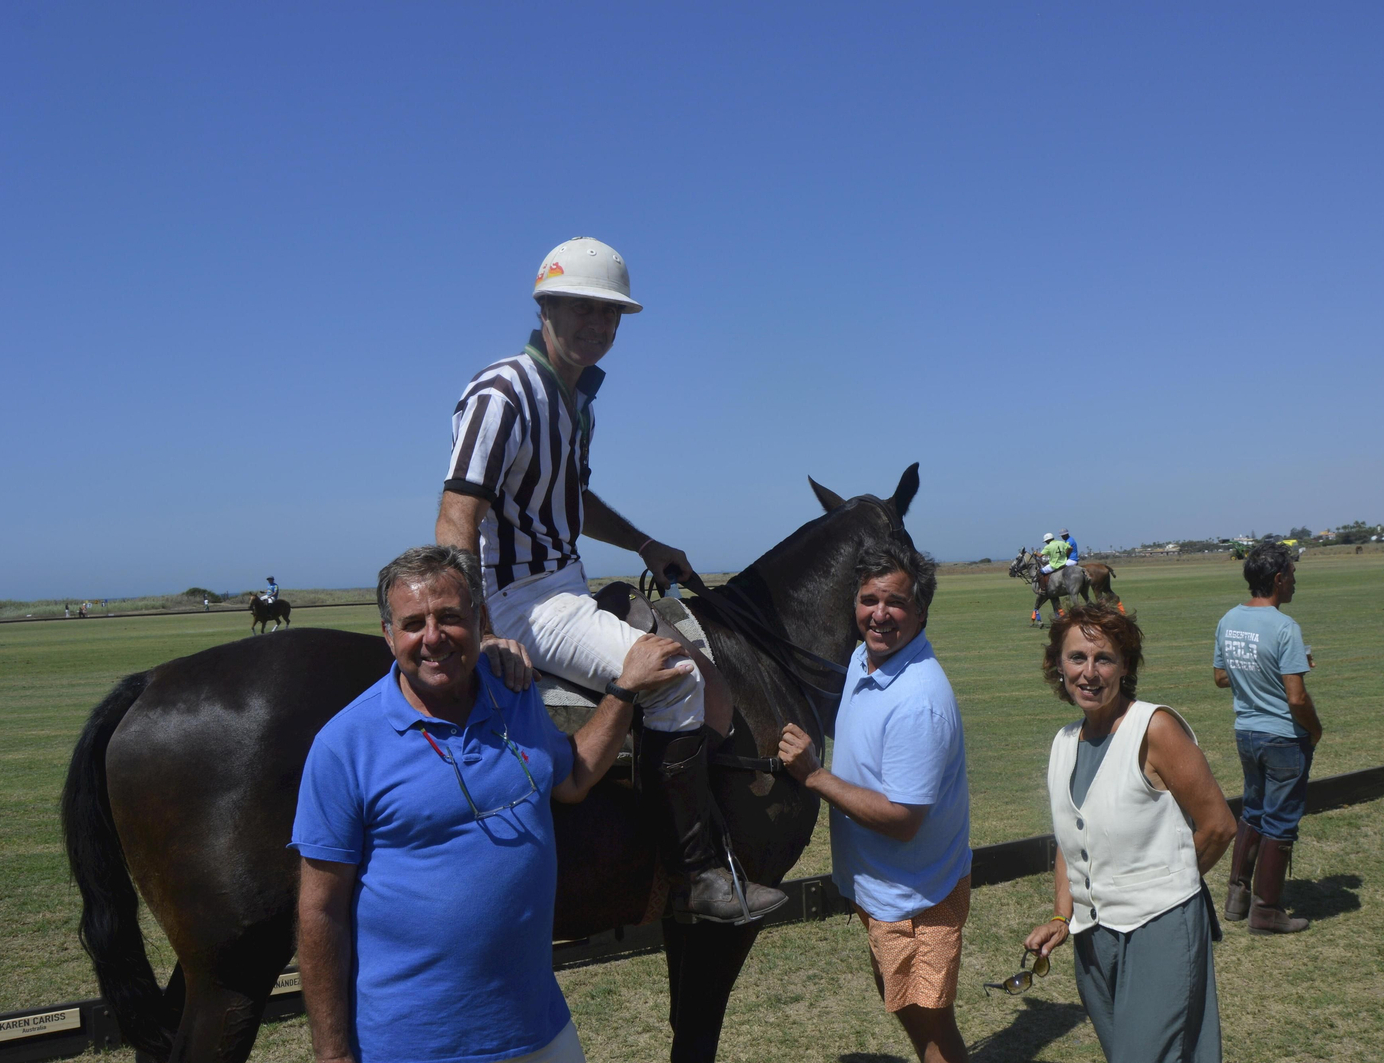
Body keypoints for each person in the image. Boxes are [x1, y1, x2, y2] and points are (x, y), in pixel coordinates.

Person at [435, 237, 784, 924]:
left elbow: (573, 498)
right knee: (673, 675)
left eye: (610, 316)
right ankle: (697, 875)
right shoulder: (502, 390)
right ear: (546, 307)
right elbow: (456, 516)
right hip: (520, 601)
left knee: (702, 664)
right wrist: (473, 630)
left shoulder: (577, 402)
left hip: (566, 581)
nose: (598, 327)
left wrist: (646, 542)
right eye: (583, 310)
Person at [292, 544, 697, 1063]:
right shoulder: (344, 744)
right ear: (388, 635)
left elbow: (570, 778)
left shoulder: (515, 695)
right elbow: (320, 910)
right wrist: (331, 1053)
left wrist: (623, 689)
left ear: (482, 620)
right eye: (413, 623)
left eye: (450, 617)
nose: (432, 637)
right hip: (415, 1046)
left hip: (538, 1028)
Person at [778, 541, 972, 1063]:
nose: (879, 615)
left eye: (896, 603)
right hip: (886, 889)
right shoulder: (865, 661)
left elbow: (902, 819)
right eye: (869, 600)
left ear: (921, 611)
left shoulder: (918, 700)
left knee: (933, 1030)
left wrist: (814, 776)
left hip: (915, 898)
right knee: (914, 1015)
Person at [1025, 603, 1235, 1063]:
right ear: (1057, 666)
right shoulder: (1064, 743)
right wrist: (1062, 916)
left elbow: (1219, 825)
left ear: (1125, 666)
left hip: (1159, 926)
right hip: (1093, 937)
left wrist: (1166, 883)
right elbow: (1071, 839)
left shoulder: (1154, 728)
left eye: (1104, 659)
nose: (1089, 672)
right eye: (1077, 657)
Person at [1212, 542, 1321, 934]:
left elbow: (1222, 676)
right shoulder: (1285, 627)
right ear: (1278, 579)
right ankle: (1267, 910)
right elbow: (1296, 697)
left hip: (1247, 733)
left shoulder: (1229, 619)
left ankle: (1236, 898)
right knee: (1281, 820)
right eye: (1292, 575)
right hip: (1282, 737)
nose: (1295, 582)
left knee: (1253, 813)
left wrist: (1264, 669)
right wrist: (1316, 728)